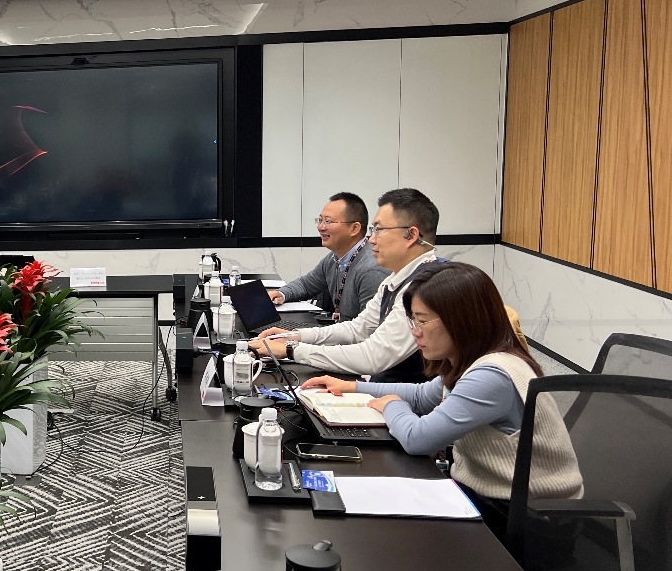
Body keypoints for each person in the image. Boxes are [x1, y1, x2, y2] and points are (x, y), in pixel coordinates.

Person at [299, 262, 583, 536]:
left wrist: (392, 404)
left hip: (531, 520)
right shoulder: (470, 361)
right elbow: (423, 395)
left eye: (422, 321)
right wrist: (353, 387)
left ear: (463, 321)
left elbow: (419, 439)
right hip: (493, 498)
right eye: (413, 320)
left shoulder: (492, 376)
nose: (415, 331)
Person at [249, 188, 441, 381]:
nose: (372, 239)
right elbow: (357, 329)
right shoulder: (396, 279)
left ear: (411, 235)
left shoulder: (424, 287)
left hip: (398, 393)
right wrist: (296, 336)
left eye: (379, 230)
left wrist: (291, 349)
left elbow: (372, 357)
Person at [268, 192, 386, 320]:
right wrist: (281, 293)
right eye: (320, 220)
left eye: (328, 221)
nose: (320, 227)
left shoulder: (371, 270)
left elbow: (370, 327)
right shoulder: (334, 258)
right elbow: (306, 285)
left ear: (354, 228)